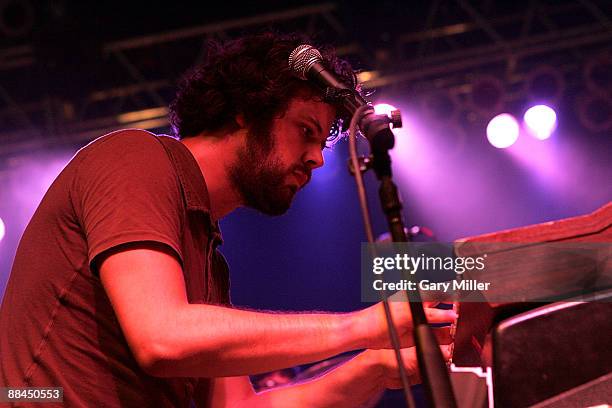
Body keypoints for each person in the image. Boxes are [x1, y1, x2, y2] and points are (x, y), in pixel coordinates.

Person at [0, 32, 455, 407]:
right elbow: (163, 338)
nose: (317, 158)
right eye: (305, 131)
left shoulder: (207, 254)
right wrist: (360, 326)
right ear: (248, 110)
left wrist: (373, 367)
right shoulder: (135, 157)